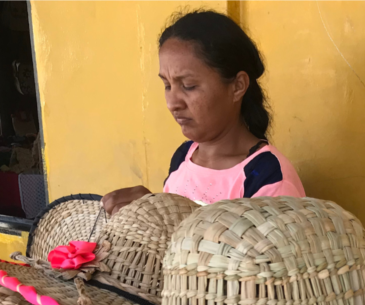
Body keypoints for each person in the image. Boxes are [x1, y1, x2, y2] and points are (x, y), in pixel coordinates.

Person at [102, 10, 305, 215]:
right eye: (167, 85)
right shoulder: (184, 157)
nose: (172, 103)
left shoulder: (267, 178)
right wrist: (150, 213)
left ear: (237, 86)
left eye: (188, 86)